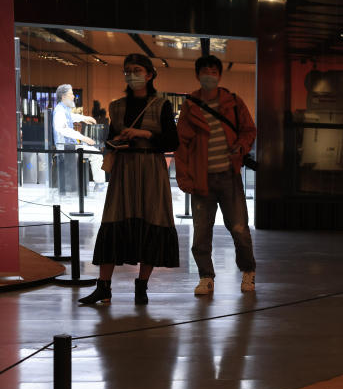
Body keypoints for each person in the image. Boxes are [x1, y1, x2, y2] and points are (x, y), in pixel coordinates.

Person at [78, 54, 179, 306]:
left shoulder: (162, 105)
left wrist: (144, 133)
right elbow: (109, 140)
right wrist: (116, 141)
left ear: (149, 74)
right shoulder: (117, 106)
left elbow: (172, 142)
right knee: (113, 222)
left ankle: (142, 286)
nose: (131, 75)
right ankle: (103, 287)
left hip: (151, 169)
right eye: (127, 71)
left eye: (137, 70)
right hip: (124, 169)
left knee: (152, 221)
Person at [174, 55, 257, 296]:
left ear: (219, 75)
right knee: (201, 232)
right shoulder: (190, 105)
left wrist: (241, 147)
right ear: (198, 74)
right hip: (202, 179)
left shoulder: (233, 102)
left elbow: (249, 130)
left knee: (239, 227)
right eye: (205, 70)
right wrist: (184, 177)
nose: (209, 74)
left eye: (213, 70)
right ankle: (206, 277)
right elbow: (182, 144)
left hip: (229, 176)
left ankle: (248, 271)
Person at [52, 84, 105, 192]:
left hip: (70, 146)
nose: (73, 96)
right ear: (63, 96)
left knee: (95, 153)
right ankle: (99, 185)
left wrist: (84, 118)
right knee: (96, 154)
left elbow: (71, 117)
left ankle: (99, 184)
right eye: (71, 94)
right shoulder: (59, 111)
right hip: (66, 147)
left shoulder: (63, 109)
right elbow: (64, 130)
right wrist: (83, 138)